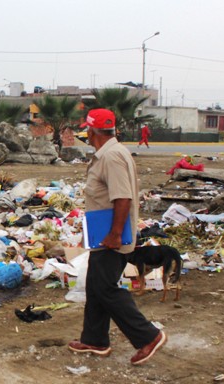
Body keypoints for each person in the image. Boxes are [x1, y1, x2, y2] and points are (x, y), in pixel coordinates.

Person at [68, 108, 167, 366]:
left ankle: (148, 336)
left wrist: (114, 234)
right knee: (95, 285)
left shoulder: (111, 156)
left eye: (87, 131)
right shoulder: (110, 153)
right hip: (103, 230)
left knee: (106, 288)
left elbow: (123, 197)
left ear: (91, 132)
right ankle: (95, 339)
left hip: (112, 233)